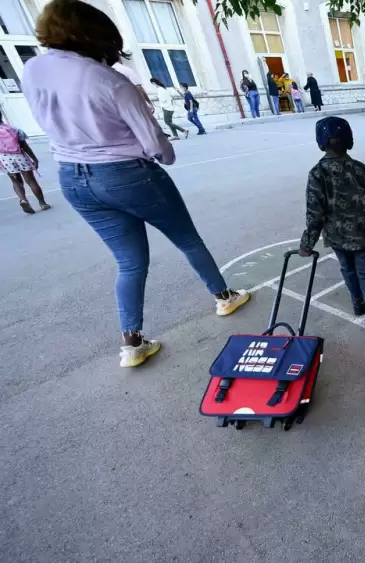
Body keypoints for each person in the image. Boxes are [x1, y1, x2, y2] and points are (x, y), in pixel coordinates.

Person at [23, 0, 251, 368]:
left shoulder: (32, 69)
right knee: (187, 239)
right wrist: (165, 155)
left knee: (129, 262)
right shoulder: (110, 80)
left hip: (72, 176)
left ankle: (132, 344)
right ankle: (225, 296)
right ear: (97, 35)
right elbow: (154, 144)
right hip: (127, 173)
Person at [299, 117, 365, 344]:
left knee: (347, 269)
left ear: (321, 143)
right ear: (349, 141)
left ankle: (358, 303)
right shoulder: (359, 169)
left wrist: (307, 243)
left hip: (337, 236)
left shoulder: (317, 173)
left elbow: (314, 213)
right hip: (364, 234)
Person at [0, 115, 49, 214]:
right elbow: (25, 146)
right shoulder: (14, 129)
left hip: (5, 159)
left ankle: (23, 200)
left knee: (16, 181)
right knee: (31, 181)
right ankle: (42, 203)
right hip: (20, 156)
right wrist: (34, 158)